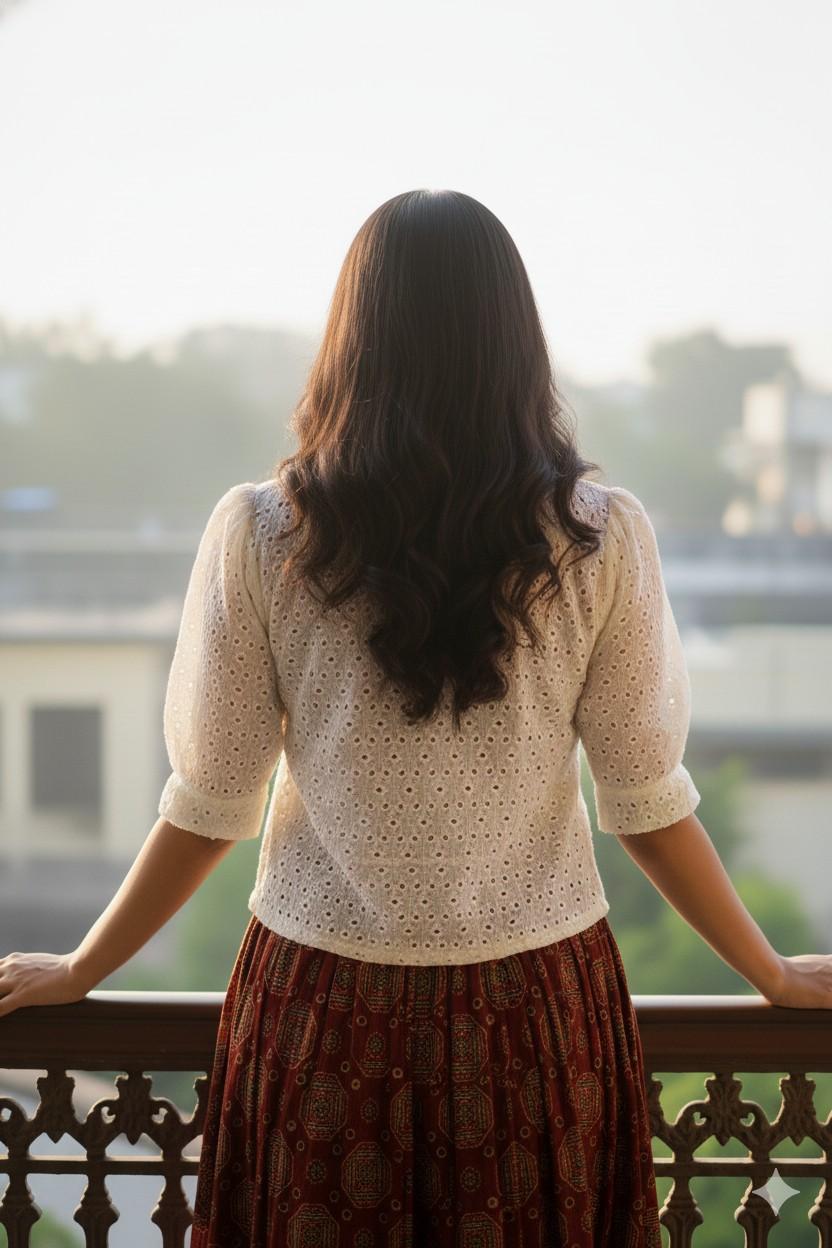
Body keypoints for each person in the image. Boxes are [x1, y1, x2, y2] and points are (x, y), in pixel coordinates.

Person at [2, 189, 831, 1248]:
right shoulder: (595, 540)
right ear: (515, 341)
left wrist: (84, 968)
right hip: (537, 1013)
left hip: (319, 1013)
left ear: (353, 337)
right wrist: (764, 968)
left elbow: (211, 802)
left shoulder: (265, 535)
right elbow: (644, 802)